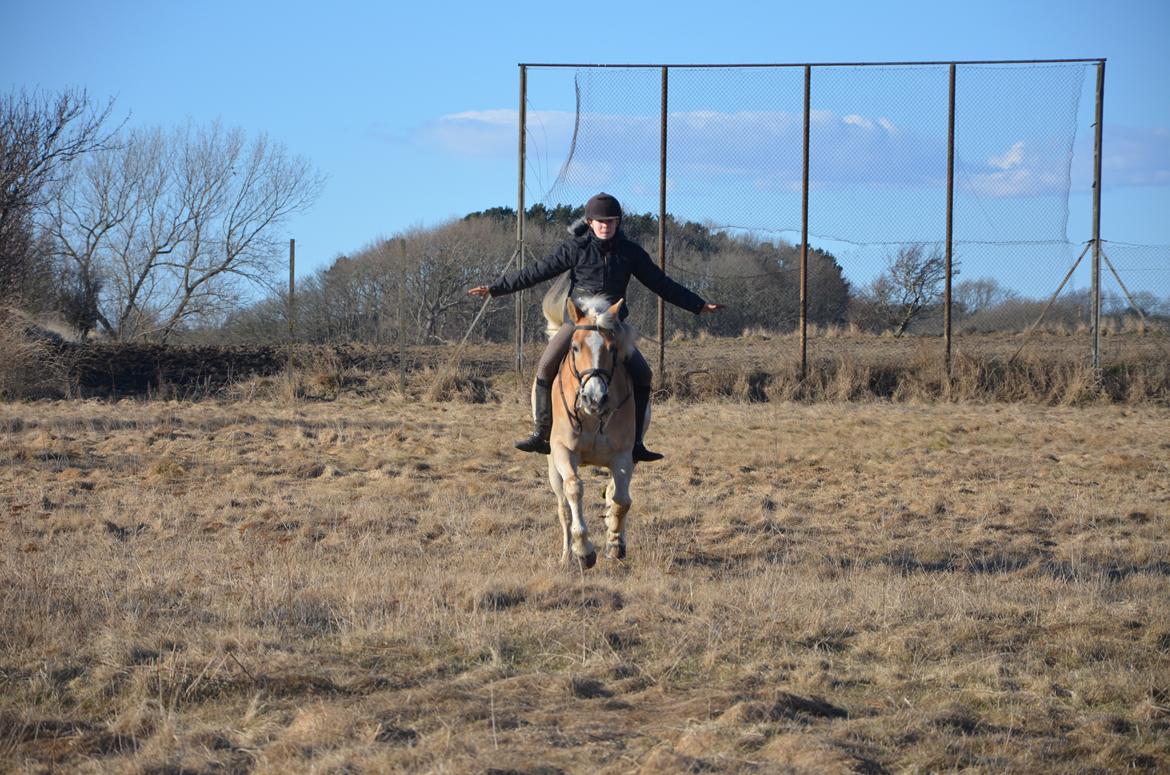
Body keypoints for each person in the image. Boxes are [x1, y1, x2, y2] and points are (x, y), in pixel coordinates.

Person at [469, 192, 722, 462]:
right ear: (589, 222)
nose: (606, 226)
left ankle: (635, 443)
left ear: (618, 223)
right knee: (544, 367)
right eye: (600, 221)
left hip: (612, 325)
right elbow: (534, 272)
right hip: (578, 323)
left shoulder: (630, 253)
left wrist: (698, 305)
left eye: (611, 221)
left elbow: (662, 284)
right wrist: (495, 289)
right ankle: (542, 433)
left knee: (644, 374)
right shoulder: (574, 249)